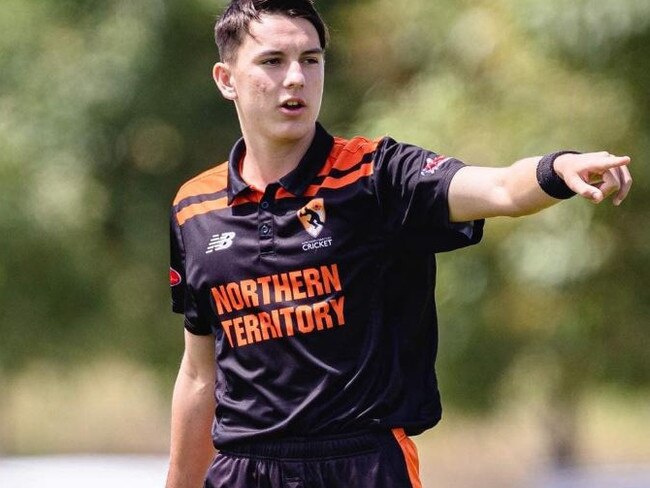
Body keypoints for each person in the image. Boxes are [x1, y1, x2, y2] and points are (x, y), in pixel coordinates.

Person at [165, 1, 632, 487]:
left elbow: (499, 189)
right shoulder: (194, 209)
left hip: (362, 465)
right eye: (272, 61)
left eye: (311, 59)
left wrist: (556, 169)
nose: (296, 78)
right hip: (244, 469)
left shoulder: (377, 176)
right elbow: (200, 375)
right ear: (226, 79)